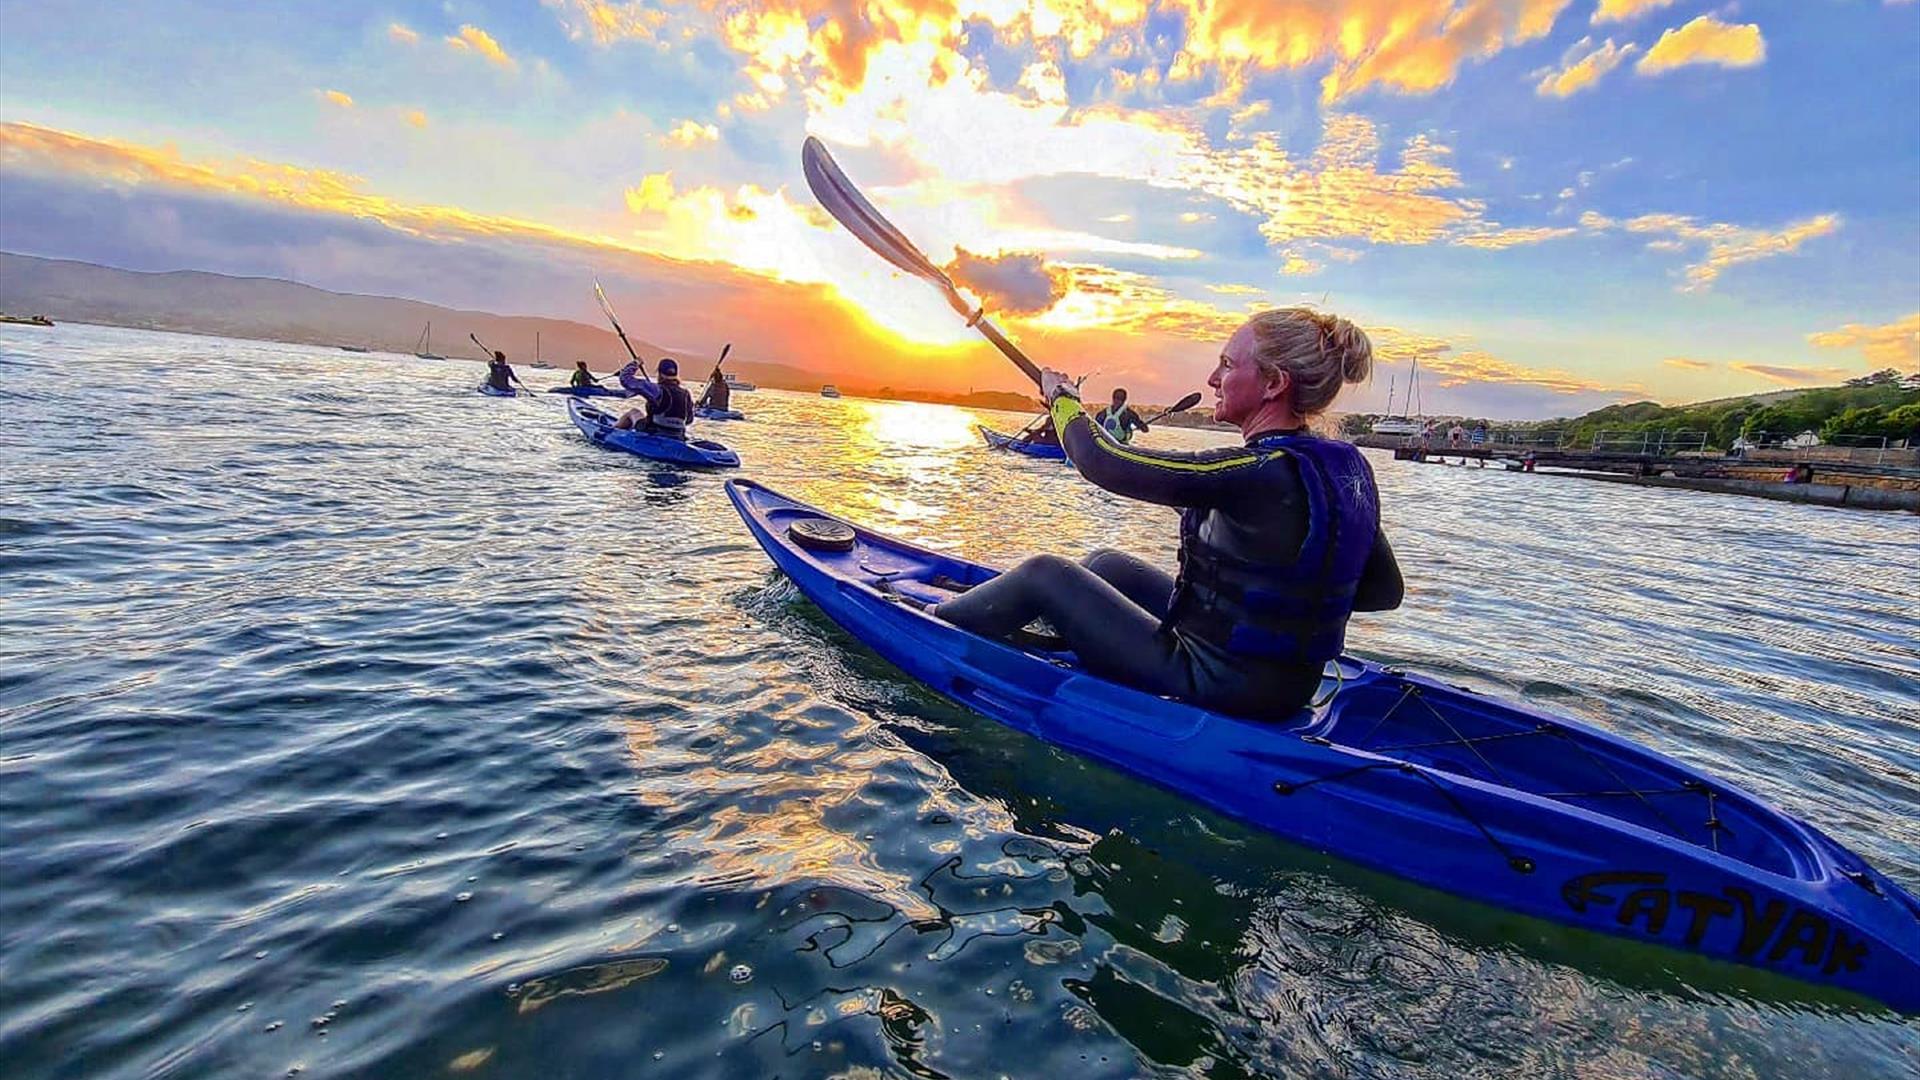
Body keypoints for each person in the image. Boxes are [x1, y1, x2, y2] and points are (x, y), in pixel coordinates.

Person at [932, 308, 1403, 720]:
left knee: (1046, 575)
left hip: (1220, 682)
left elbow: (1104, 464)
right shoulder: (1343, 471)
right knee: (1105, 565)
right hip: (1286, 685)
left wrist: (1063, 399)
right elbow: (1384, 591)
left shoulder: (1252, 470)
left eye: (1226, 365)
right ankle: (1039, 631)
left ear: (1274, 383)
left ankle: (933, 619)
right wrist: (1283, 596)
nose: (1213, 380)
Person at [614, 357, 694, 438]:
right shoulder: (686, 394)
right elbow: (689, 420)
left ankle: (611, 431)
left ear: (660, 373)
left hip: (654, 431)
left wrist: (635, 363)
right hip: (678, 434)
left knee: (634, 412)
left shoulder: (656, 389)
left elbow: (625, 379)